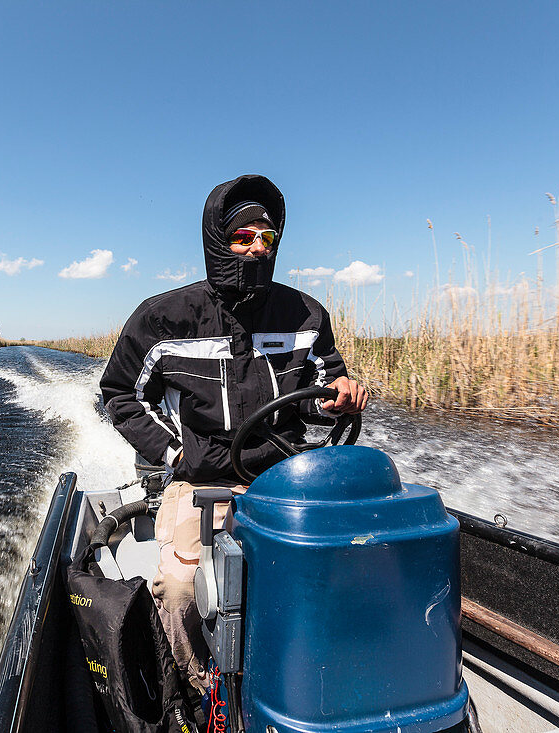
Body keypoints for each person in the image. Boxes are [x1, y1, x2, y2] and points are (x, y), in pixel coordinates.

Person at [99, 174, 367, 694]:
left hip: (290, 480)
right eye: (244, 238)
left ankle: (311, 683)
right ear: (219, 241)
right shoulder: (163, 319)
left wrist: (341, 394)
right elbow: (121, 395)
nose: (257, 249)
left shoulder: (305, 315)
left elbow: (323, 386)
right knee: (180, 593)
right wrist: (175, 452)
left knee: (335, 574)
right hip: (201, 482)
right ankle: (208, 693)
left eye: (267, 239)